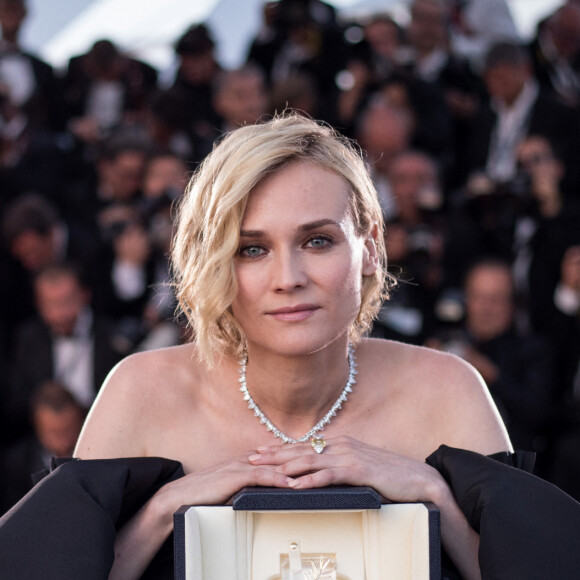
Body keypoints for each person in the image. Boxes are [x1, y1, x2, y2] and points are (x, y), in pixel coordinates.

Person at [72, 113, 512, 580]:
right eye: (252, 249)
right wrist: (163, 511)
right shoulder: (139, 392)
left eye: (317, 241)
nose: (288, 279)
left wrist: (434, 495)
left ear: (371, 248)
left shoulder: (448, 391)